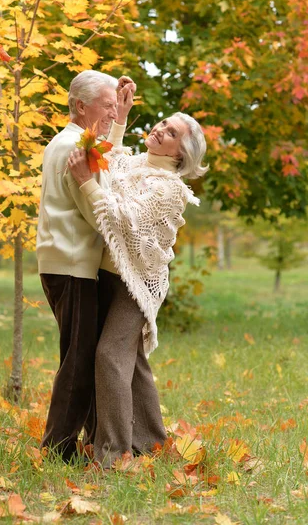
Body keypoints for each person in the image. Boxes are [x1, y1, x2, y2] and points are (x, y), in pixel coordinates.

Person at [68, 112, 208, 467]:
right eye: (163, 123)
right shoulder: (134, 165)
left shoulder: (170, 189)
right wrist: (121, 116)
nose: (161, 129)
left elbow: (122, 218)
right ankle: (152, 441)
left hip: (137, 284)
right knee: (135, 361)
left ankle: (114, 454)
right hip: (107, 274)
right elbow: (112, 162)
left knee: (110, 356)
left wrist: (86, 183)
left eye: (172, 132)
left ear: (181, 153)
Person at [36, 69, 135, 461]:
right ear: (81, 106)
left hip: (66, 262)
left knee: (80, 356)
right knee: (77, 362)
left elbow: (103, 169)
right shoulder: (76, 148)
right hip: (73, 265)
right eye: (107, 105)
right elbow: (100, 211)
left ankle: (86, 439)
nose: (112, 112)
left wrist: (122, 120)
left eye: (115, 106)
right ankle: (57, 448)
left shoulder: (74, 141)